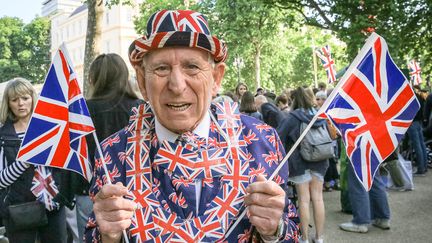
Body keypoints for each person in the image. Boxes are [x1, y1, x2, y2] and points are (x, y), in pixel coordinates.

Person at [84, 10, 299, 243]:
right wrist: (108, 236)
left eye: (192, 67)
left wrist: (274, 231)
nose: (177, 85)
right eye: (161, 69)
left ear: (216, 78)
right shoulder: (112, 153)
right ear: (143, 81)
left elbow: (292, 231)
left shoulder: (261, 141)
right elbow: (93, 235)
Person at [69, 53, 144, 241]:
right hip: (137, 191)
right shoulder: (141, 107)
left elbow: (76, 153)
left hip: (90, 190)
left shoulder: (84, 111)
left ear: (94, 79)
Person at [0, 78, 72, 243]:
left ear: (33, 98)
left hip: (53, 203)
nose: (20, 103)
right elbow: (1, 180)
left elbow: (63, 167)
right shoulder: (3, 135)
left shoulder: (49, 128)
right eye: (15, 99)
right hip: (19, 208)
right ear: (8, 103)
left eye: (25, 98)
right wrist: (25, 160)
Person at [277, 87, 329, 243]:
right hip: (320, 160)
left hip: (299, 163)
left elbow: (278, 135)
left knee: (304, 200)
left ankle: (304, 238)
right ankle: (319, 238)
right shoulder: (320, 115)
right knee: (318, 199)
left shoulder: (292, 117)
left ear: (294, 100)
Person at [339, 159, 391, 233]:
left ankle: (360, 222)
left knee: (358, 180)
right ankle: (382, 218)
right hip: (373, 149)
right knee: (374, 179)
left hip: (358, 148)